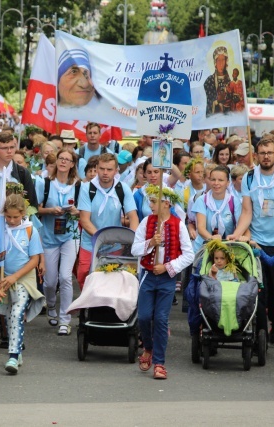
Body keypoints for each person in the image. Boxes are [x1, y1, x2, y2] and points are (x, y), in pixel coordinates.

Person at [229, 138, 274, 344]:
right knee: (259, 290)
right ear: (257, 155)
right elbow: (246, 212)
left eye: (269, 152)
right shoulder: (249, 179)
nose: (266, 156)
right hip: (256, 243)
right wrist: (237, 234)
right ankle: (261, 332)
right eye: (262, 153)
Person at [132, 185, 194, 380]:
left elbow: (189, 254)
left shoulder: (178, 224)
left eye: (153, 201)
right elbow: (134, 249)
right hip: (148, 278)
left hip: (166, 279)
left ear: (166, 203)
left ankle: (159, 362)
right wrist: (150, 243)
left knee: (160, 319)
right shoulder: (146, 222)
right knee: (143, 317)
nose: (150, 205)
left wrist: (168, 267)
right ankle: (148, 347)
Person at [0, 194, 45, 374]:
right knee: (8, 315)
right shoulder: (0, 230)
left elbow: (34, 259)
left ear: (23, 213)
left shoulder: (30, 230)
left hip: (24, 278)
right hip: (5, 276)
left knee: (16, 312)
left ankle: (13, 355)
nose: (12, 220)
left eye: (16, 217)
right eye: (8, 217)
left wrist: (15, 277)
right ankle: (18, 348)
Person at [78, 153, 139, 288]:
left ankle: (105, 307)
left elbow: (133, 217)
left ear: (116, 171)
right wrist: (102, 238)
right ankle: (87, 305)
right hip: (90, 242)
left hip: (114, 244)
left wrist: (133, 239)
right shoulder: (87, 188)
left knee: (110, 280)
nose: (105, 173)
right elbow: (85, 220)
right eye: (102, 169)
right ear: (97, 168)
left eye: (109, 169)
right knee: (83, 275)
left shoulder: (122, 189)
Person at [36, 149, 81, 336]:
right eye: (61, 158)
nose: (63, 162)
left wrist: (74, 211)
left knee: (65, 277)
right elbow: (35, 209)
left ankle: (65, 319)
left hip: (70, 236)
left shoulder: (79, 186)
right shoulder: (44, 183)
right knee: (49, 281)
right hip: (48, 236)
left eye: (67, 160)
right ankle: (51, 304)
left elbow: (84, 211)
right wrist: (50, 211)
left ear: (72, 164)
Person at [192, 166, 244, 254]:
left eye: (220, 180)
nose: (216, 183)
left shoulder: (234, 201)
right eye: (213, 180)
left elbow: (240, 225)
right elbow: (201, 228)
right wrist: (213, 240)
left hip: (227, 249)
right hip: (204, 247)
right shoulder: (202, 200)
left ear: (228, 182)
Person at [204, 46, 232, 117]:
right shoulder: (209, 81)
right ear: (215, 62)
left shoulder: (229, 81)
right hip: (214, 120)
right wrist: (217, 101)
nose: (221, 63)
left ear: (226, 61)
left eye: (223, 60)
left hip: (227, 120)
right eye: (218, 60)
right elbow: (208, 101)